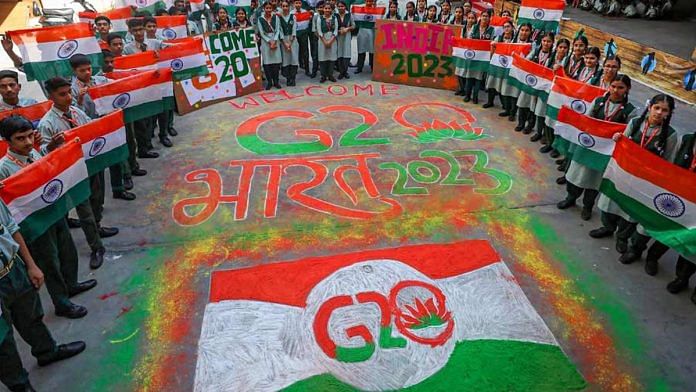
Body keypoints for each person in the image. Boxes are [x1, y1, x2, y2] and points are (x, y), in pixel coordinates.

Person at [0, 113, 96, 319]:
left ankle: (71, 284)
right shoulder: (4, 169)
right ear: (7, 141)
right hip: (35, 225)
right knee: (49, 262)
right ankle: (61, 302)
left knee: (67, 251)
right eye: (20, 138)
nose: (27, 142)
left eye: (29, 136)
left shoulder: (34, 154)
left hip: (54, 212)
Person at [0, 193, 87, 392]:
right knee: (3, 341)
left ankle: (47, 351)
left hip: (14, 268)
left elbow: (11, 228)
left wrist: (30, 265)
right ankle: (20, 385)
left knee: (31, 315)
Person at [38, 76, 120, 270]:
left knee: (97, 199)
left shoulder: (76, 112)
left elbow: (90, 127)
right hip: (72, 173)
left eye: (69, 93)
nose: (68, 97)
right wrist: (51, 146)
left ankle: (98, 226)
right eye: (62, 94)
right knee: (84, 210)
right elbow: (41, 154)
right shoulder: (47, 123)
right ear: (51, 96)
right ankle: (96, 246)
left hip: (90, 163)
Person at [591, 94, 679, 255]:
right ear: (650, 107)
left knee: (631, 210)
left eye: (664, 110)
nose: (659, 113)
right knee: (611, 202)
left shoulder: (671, 135)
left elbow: (668, 162)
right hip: (623, 172)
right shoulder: (635, 122)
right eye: (657, 108)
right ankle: (608, 227)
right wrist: (618, 138)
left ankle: (622, 237)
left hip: (644, 181)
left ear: (669, 113)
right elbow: (622, 141)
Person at [558, 74, 636, 220]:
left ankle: (588, 206)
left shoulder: (630, 111)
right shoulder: (599, 101)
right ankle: (571, 197)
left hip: (605, 152)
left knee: (594, 181)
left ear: (627, 89)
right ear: (609, 86)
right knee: (575, 174)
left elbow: (628, 134)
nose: (616, 90)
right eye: (613, 86)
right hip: (587, 145)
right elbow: (586, 120)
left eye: (621, 88)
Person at [69, 54, 135, 202]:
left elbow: (120, 85)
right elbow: (73, 113)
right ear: (74, 71)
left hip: (109, 124)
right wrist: (79, 100)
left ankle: (119, 188)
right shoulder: (72, 90)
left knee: (116, 156)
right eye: (82, 70)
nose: (87, 72)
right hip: (91, 129)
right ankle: (99, 201)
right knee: (98, 165)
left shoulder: (100, 80)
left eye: (89, 69)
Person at [123, 18, 170, 155]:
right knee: (145, 117)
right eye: (135, 30)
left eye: (140, 29)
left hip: (158, 83)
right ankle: (145, 145)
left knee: (163, 111)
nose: (138, 33)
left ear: (144, 29)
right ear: (130, 32)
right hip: (141, 87)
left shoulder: (154, 43)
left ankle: (163, 135)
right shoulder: (127, 49)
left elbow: (171, 50)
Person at [515, 31, 553, 135]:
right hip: (530, 81)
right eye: (544, 41)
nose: (546, 43)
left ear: (552, 43)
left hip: (541, 85)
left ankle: (530, 126)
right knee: (523, 102)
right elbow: (527, 60)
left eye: (548, 41)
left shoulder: (552, 56)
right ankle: (521, 123)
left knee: (533, 105)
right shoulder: (536, 51)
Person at [536, 37, 570, 153]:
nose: (562, 50)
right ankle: (542, 135)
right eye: (560, 47)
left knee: (555, 119)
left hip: (560, 94)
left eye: (565, 48)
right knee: (543, 114)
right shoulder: (551, 57)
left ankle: (554, 145)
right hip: (547, 89)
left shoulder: (567, 62)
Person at [498, 22, 532, 122]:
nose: (524, 33)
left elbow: (529, 58)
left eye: (527, 31)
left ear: (530, 32)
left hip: (520, 72)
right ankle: (507, 109)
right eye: (522, 30)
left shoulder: (531, 45)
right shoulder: (513, 41)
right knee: (506, 90)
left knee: (515, 93)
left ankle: (513, 112)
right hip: (509, 69)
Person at [462, 11, 494, 104]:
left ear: (489, 18)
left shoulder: (492, 30)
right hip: (472, 56)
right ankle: (467, 95)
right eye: (483, 16)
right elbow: (469, 40)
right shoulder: (474, 27)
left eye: (487, 16)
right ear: (480, 17)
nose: (485, 18)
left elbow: (491, 44)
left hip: (482, 58)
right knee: (469, 77)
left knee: (478, 78)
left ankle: (475, 97)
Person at [482, 20, 514, 108]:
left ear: (512, 28)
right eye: (505, 27)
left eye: (508, 26)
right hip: (496, 64)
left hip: (507, 66)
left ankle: (505, 105)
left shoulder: (515, 40)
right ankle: (490, 102)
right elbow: (492, 51)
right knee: (492, 82)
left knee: (503, 85)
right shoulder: (498, 38)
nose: (506, 28)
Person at [258, 1, 283, 89]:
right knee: (267, 62)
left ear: (272, 9)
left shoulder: (276, 17)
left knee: (276, 62)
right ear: (264, 9)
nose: (268, 10)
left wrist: (274, 41)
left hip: (275, 40)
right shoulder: (260, 19)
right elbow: (261, 33)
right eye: (267, 8)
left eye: (270, 8)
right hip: (265, 42)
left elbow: (277, 30)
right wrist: (269, 41)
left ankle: (276, 81)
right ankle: (269, 82)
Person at [354, 0, 383, 74]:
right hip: (362, 32)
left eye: (370, 1)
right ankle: (359, 67)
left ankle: (373, 68)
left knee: (372, 51)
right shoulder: (360, 9)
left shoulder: (376, 11)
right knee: (361, 50)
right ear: (365, 1)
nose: (369, 3)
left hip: (371, 32)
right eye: (367, 1)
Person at [316, 2, 338, 83]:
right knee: (323, 58)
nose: (327, 10)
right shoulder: (320, 18)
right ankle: (323, 76)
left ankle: (330, 75)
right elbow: (319, 31)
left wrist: (331, 41)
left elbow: (336, 31)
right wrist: (325, 41)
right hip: (322, 40)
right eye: (325, 8)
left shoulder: (334, 18)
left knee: (331, 58)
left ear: (331, 9)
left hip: (332, 40)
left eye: (329, 8)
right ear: (323, 9)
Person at [279, 0, 299, 86]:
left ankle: (293, 78)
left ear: (289, 7)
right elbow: (279, 31)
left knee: (293, 59)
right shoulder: (279, 18)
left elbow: (294, 29)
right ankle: (288, 78)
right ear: (281, 7)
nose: (285, 8)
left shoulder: (293, 17)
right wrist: (284, 42)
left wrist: (290, 42)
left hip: (292, 40)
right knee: (286, 60)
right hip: (284, 41)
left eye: (286, 6)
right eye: (283, 6)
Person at [336, 1, 355, 80]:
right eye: (339, 6)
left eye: (342, 6)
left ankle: (345, 72)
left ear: (345, 7)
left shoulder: (349, 15)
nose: (340, 8)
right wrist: (338, 30)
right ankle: (341, 72)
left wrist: (347, 29)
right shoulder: (335, 15)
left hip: (347, 36)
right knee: (339, 53)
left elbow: (354, 26)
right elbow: (331, 26)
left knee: (346, 53)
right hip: (338, 37)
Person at [292, 0, 311, 73]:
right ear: (294, 4)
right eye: (296, 3)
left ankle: (307, 70)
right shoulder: (291, 13)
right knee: (295, 51)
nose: (298, 5)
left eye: (299, 3)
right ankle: (295, 69)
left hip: (304, 34)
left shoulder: (305, 12)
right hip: (295, 35)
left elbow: (308, 22)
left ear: (301, 4)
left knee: (305, 51)